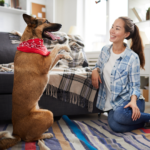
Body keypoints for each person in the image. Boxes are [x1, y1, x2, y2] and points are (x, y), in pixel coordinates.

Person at [91, 16, 150, 133]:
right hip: (114, 103)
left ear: (126, 34)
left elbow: (135, 86)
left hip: (132, 101)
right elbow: (97, 66)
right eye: (112, 27)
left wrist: (133, 102)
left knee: (119, 116)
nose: (112, 30)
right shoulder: (104, 50)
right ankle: (144, 122)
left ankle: (147, 117)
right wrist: (94, 70)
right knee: (116, 126)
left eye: (117, 28)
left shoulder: (132, 57)